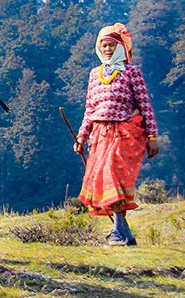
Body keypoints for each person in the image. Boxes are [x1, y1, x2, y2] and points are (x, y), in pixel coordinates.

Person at [73, 23, 160, 246]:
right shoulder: (95, 74)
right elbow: (90, 109)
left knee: (113, 176)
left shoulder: (132, 72)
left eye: (112, 45)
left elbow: (145, 105)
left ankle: (119, 232)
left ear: (121, 46)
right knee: (102, 180)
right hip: (99, 135)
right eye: (104, 45)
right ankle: (122, 232)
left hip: (124, 133)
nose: (108, 49)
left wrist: (152, 137)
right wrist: (82, 136)